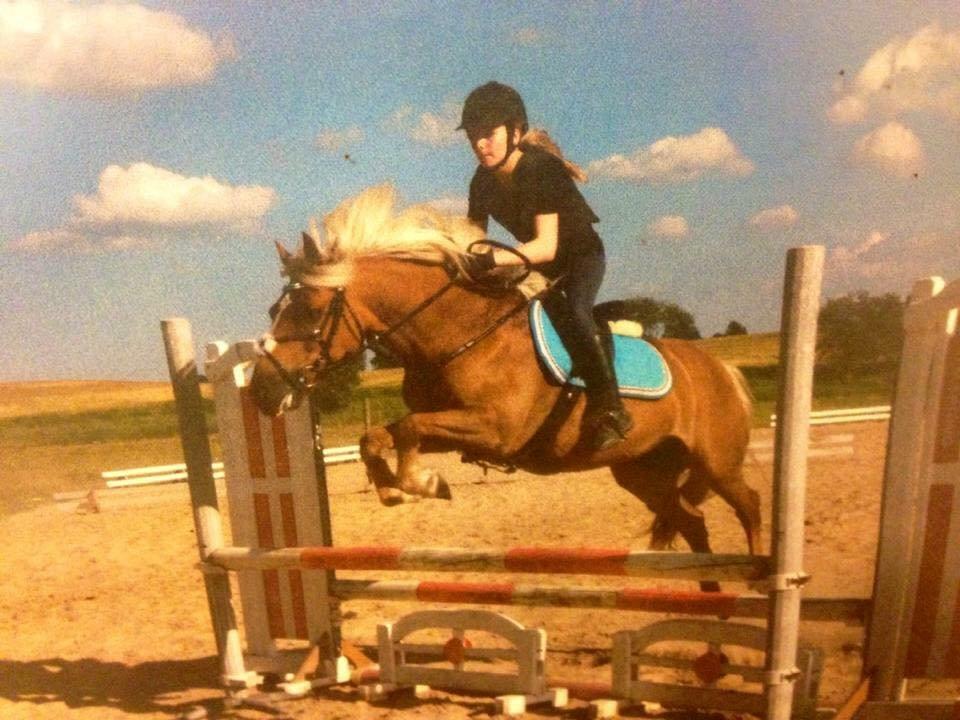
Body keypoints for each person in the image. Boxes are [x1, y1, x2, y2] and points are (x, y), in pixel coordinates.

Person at [458, 81, 633, 451]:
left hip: (580, 258)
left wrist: (493, 259)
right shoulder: (480, 182)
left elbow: (546, 247)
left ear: (516, 132)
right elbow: (473, 242)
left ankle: (611, 408)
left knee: (574, 310)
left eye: (488, 134)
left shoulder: (540, 170)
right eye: (473, 136)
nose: (479, 145)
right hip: (538, 264)